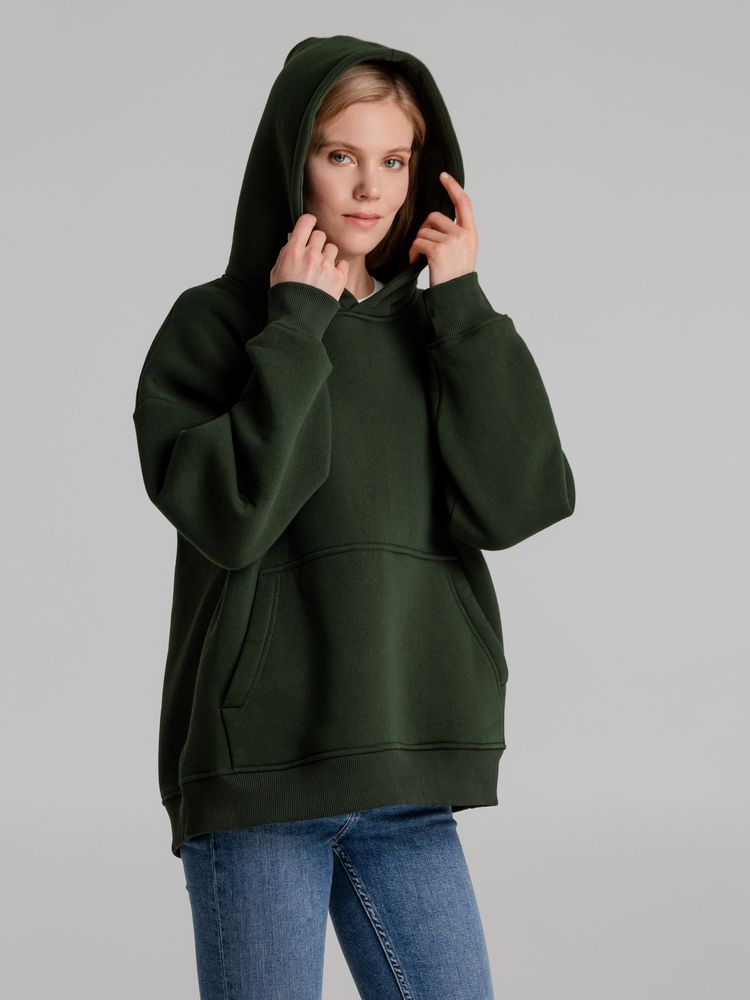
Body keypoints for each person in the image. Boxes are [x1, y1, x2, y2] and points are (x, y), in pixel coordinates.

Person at [132, 33, 576, 1000]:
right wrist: (296, 324)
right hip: (261, 783)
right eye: (341, 155)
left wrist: (464, 307)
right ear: (293, 160)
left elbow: (521, 501)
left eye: (395, 160)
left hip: (407, 769)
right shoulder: (214, 328)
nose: (371, 188)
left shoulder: (440, 329)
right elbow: (233, 514)